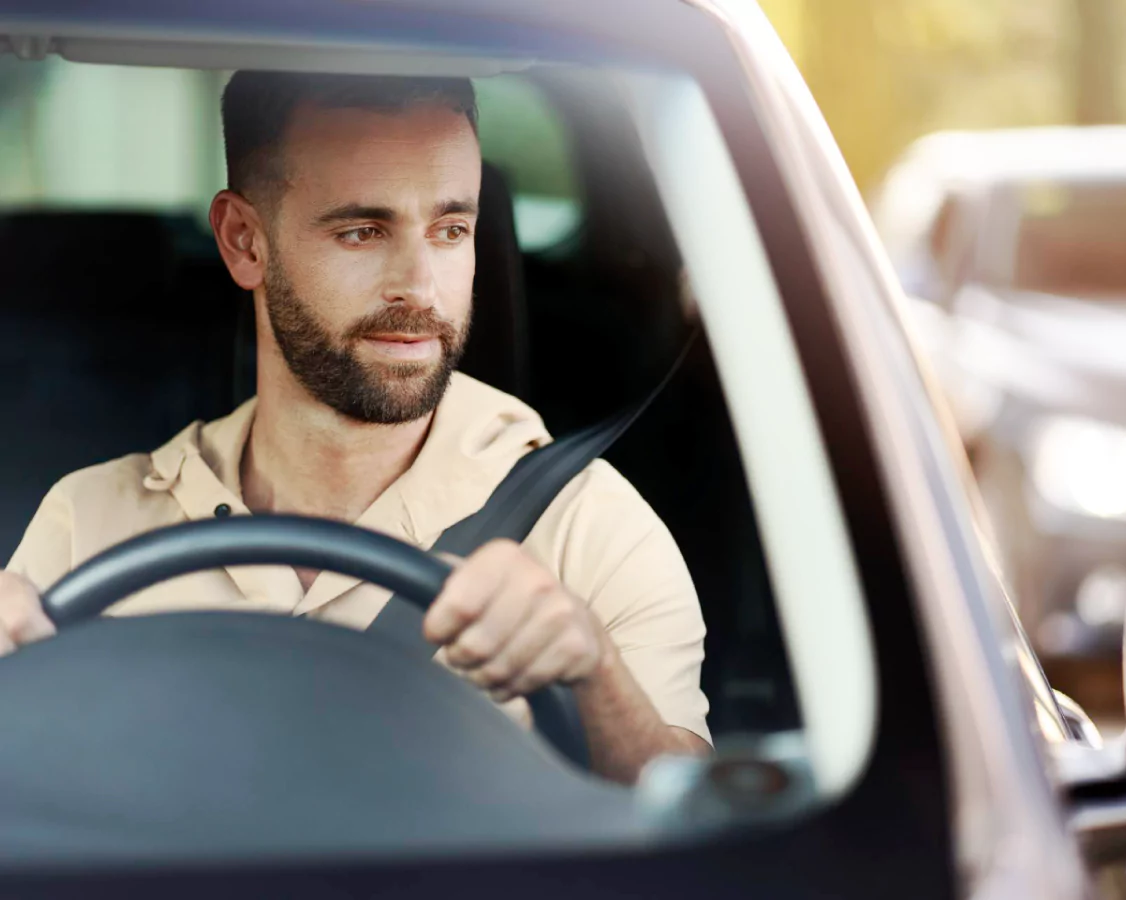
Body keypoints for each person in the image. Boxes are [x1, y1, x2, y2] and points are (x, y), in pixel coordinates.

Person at [0, 72, 709, 784]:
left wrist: (593, 674)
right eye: (363, 231)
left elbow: (697, 829)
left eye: (451, 230)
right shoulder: (88, 524)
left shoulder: (587, 524)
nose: (421, 287)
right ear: (245, 241)